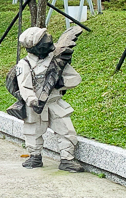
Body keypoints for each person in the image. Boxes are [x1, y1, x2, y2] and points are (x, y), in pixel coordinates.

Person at [14, 27, 84, 172]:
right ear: (34, 46)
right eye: (43, 38)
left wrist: (61, 82)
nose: (49, 39)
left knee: (66, 130)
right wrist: (32, 100)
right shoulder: (24, 65)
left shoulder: (57, 61)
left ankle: (67, 159)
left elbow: (75, 78)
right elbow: (24, 87)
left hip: (54, 102)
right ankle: (35, 156)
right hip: (35, 106)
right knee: (33, 132)